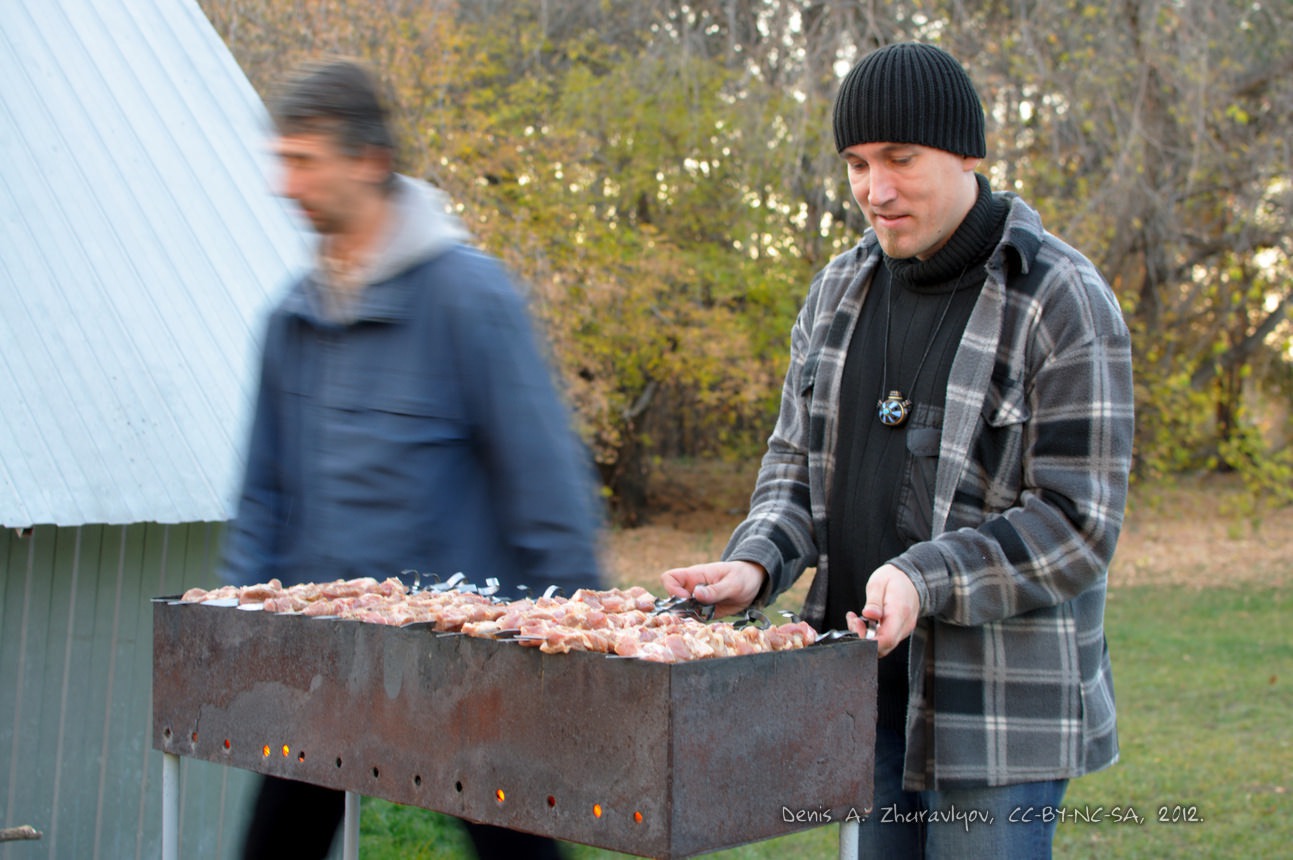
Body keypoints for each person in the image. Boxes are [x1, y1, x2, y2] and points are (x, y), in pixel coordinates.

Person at [663, 42, 1134, 858]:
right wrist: (755, 563)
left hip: (995, 719)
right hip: (860, 694)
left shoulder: (1060, 298)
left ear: (966, 153)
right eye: (855, 163)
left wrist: (925, 576)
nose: (873, 190)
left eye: (899, 158)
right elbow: (793, 469)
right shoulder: (835, 292)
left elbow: (1077, 524)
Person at [220, 58, 602, 860]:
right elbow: (263, 497)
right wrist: (243, 634)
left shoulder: (469, 299)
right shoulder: (292, 318)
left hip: (463, 670)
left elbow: (545, 487)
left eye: (303, 161)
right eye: (281, 160)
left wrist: (574, 655)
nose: (284, 185)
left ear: (368, 160)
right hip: (323, 665)